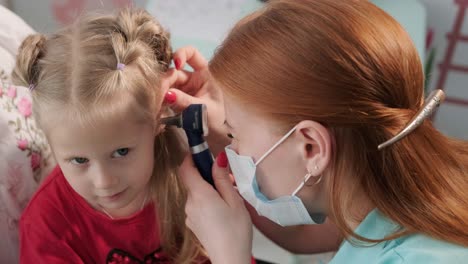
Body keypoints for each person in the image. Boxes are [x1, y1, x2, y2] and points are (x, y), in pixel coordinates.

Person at [163, 0, 468, 263]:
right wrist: (225, 130)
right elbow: (312, 233)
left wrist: (230, 256)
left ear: (311, 148)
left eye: (236, 136)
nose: (233, 151)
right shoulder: (389, 191)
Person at [12, 8, 206, 263]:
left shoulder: (192, 177)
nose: (104, 181)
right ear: (52, 145)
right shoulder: (47, 225)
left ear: (158, 119)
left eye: (121, 152)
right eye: (79, 160)